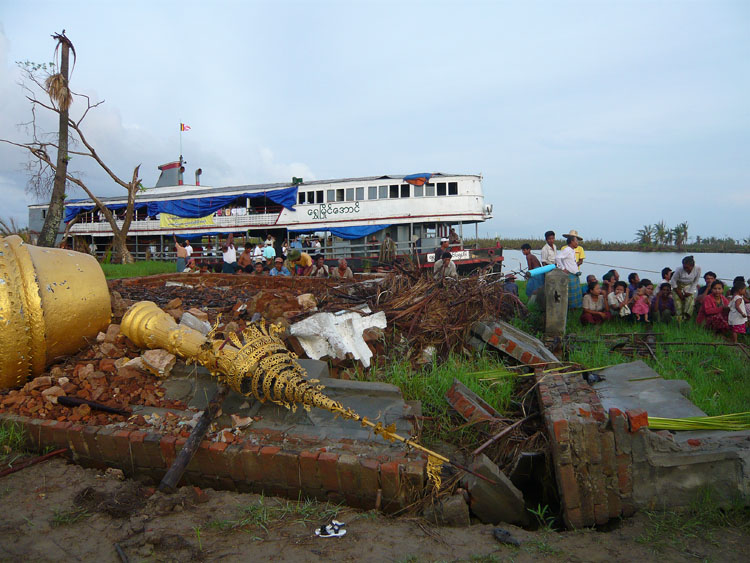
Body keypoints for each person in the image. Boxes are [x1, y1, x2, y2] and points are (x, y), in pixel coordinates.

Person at [555, 230, 583, 309]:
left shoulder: (572, 250)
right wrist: (563, 268)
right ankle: (571, 308)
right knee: (571, 293)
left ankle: (575, 307)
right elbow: (557, 257)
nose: (577, 243)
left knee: (575, 292)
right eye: (576, 241)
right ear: (571, 242)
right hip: (570, 275)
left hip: (574, 274)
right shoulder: (567, 250)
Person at [670, 256, 702, 321]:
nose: (685, 269)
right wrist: (679, 293)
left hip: (689, 287)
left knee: (690, 304)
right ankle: (679, 321)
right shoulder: (679, 269)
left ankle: (686, 319)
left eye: (687, 267)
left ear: (692, 266)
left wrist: (690, 292)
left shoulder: (698, 268)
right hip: (677, 286)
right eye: (684, 267)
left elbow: (696, 281)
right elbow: (673, 281)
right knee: (678, 305)